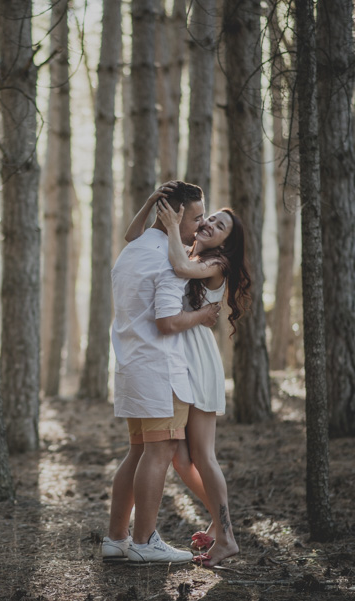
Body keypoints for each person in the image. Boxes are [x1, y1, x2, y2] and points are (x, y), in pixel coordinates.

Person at [101, 181, 220, 564]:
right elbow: (168, 321)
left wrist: (152, 204)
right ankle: (145, 541)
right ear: (174, 215)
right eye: (197, 217)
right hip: (160, 368)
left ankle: (116, 539)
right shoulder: (169, 261)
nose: (202, 225)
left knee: (137, 453)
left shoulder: (132, 250)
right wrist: (203, 315)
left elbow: (131, 231)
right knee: (160, 451)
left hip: (132, 365)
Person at [154, 195, 251, 568]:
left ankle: (226, 538)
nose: (209, 223)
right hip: (181, 359)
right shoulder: (199, 256)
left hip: (199, 362)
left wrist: (171, 225)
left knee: (202, 454)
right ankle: (217, 520)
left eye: (219, 225)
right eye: (209, 218)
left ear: (226, 241)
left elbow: (178, 267)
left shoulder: (216, 263)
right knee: (180, 457)